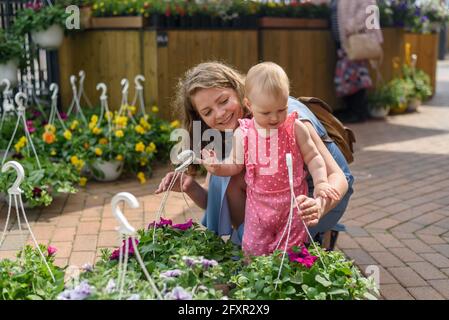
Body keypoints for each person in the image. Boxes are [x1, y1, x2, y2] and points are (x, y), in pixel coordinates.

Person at [155, 62, 352, 250]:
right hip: (272, 203)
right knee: (222, 175)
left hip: (320, 193)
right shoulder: (234, 132)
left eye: (223, 101)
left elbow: (339, 178)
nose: (220, 113)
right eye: (207, 112)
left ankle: (311, 234)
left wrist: (319, 205)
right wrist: (189, 187)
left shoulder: (281, 115)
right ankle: (255, 241)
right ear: (200, 117)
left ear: (240, 92)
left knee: (266, 249)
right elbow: (218, 200)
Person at [330, 0, 383, 123]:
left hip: (355, 38)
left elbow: (369, 9)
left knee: (356, 75)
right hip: (346, 40)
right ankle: (352, 110)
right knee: (349, 75)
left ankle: (358, 112)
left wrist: (351, 26)